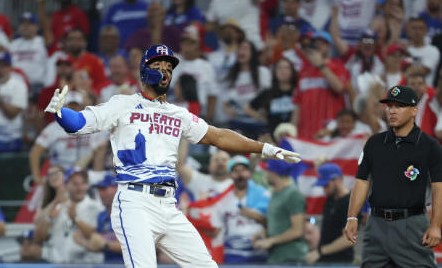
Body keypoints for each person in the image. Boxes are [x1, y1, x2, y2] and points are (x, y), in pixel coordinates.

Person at [43, 44, 301, 268]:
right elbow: (79, 123)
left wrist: (265, 148)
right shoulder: (122, 104)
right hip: (135, 202)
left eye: (169, 66)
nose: (165, 70)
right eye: (159, 64)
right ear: (144, 69)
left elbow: (219, 136)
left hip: (168, 205)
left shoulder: (177, 114)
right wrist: (60, 112)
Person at [345, 85, 442, 267]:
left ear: (414, 111)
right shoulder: (374, 143)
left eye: (399, 106)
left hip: (412, 224)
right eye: (389, 106)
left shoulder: (429, 146)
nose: (392, 111)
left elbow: (439, 187)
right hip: (376, 225)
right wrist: (352, 217)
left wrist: (436, 225)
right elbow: (361, 180)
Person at [211, 155, 269, 264]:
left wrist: (258, 217)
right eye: (236, 171)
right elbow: (217, 230)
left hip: (259, 253)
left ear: (249, 173)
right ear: (230, 175)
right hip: (233, 255)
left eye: (243, 170)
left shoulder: (263, 194)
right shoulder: (222, 199)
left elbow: (275, 224)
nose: (240, 174)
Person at [254, 159, 308, 264]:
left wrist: (271, 241)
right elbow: (278, 223)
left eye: (268, 170)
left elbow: (298, 230)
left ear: (275, 172)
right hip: (275, 257)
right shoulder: (275, 193)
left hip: (291, 258)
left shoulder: (293, 194)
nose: (266, 174)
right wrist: (263, 234)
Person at [305, 163, 356, 264]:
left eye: (326, 185)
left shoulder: (350, 203)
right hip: (324, 260)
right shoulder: (330, 200)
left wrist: (320, 251)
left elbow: (349, 239)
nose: (324, 189)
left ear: (336, 180)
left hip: (341, 261)